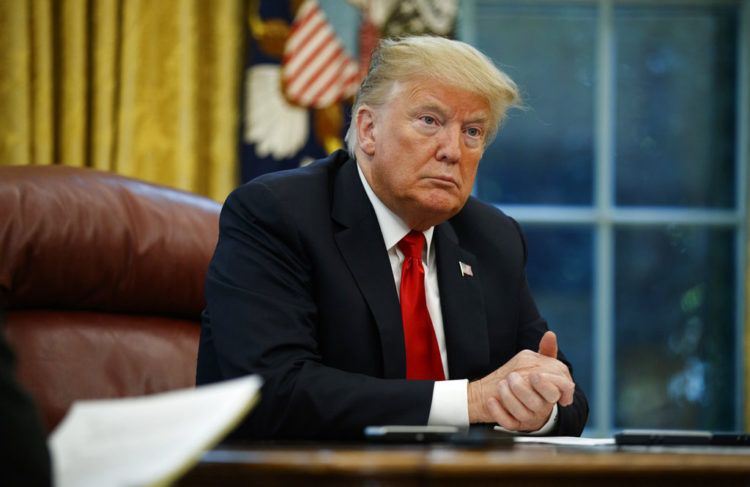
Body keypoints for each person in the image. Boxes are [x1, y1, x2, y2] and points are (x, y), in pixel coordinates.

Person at [197, 36, 588, 439]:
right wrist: (471, 401)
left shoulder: (492, 237)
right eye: (430, 121)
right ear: (368, 129)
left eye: (473, 131)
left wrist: (538, 406)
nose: (452, 150)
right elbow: (277, 391)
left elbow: (564, 393)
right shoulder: (277, 215)